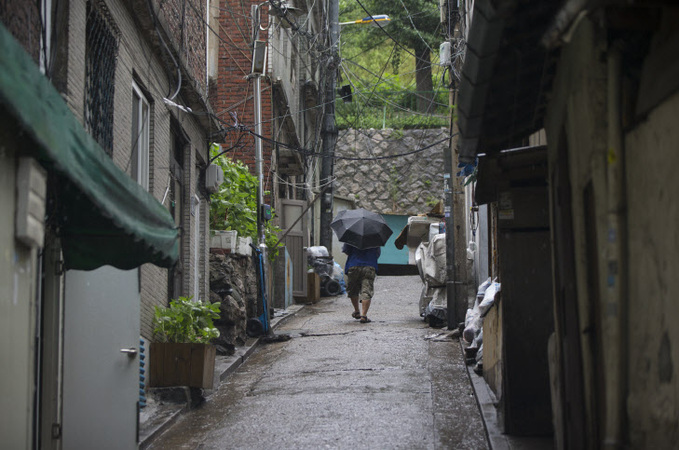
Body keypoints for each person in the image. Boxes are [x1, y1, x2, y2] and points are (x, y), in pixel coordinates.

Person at [342, 243, 380, 323]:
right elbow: (377, 253)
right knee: (366, 290)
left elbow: (346, 250)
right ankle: (364, 315)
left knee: (353, 289)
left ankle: (356, 311)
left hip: (353, 264)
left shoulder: (351, 235)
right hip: (369, 265)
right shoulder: (374, 237)